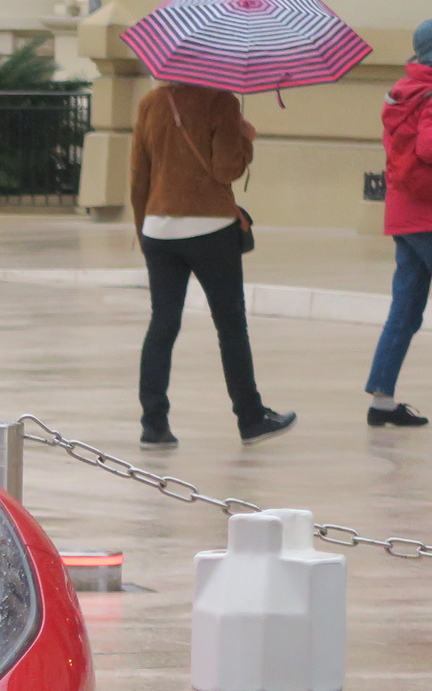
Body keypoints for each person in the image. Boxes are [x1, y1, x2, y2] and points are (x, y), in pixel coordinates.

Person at [129, 81, 291, 448]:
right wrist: (245, 139)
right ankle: (250, 419)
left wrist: (144, 232)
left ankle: (154, 425)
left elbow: (139, 175)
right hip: (210, 229)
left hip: (158, 229)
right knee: (230, 325)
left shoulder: (150, 103)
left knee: (163, 323)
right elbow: (226, 169)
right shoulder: (222, 101)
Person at [361, 18, 432, 429]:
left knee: (405, 309)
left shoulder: (404, 92)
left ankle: (382, 401)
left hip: (405, 217)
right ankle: (381, 400)